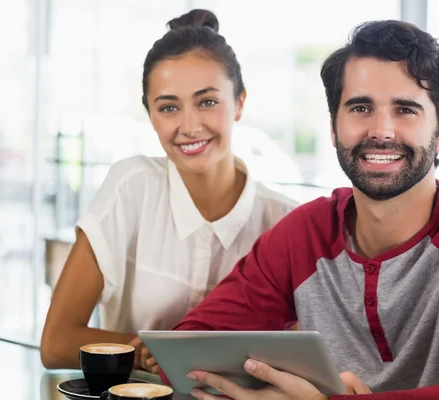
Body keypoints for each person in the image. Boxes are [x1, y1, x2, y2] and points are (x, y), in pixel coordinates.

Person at [164, 20, 439, 399]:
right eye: (361, 108)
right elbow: (183, 351)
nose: (381, 131)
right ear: (334, 128)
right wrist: (296, 383)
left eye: (405, 110)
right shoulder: (306, 232)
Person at [40, 9, 298, 373]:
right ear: (151, 116)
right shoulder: (132, 187)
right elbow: (55, 343)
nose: (189, 126)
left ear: (239, 103)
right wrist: (149, 353)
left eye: (207, 101)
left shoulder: (285, 221)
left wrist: (163, 350)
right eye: (168, 107)